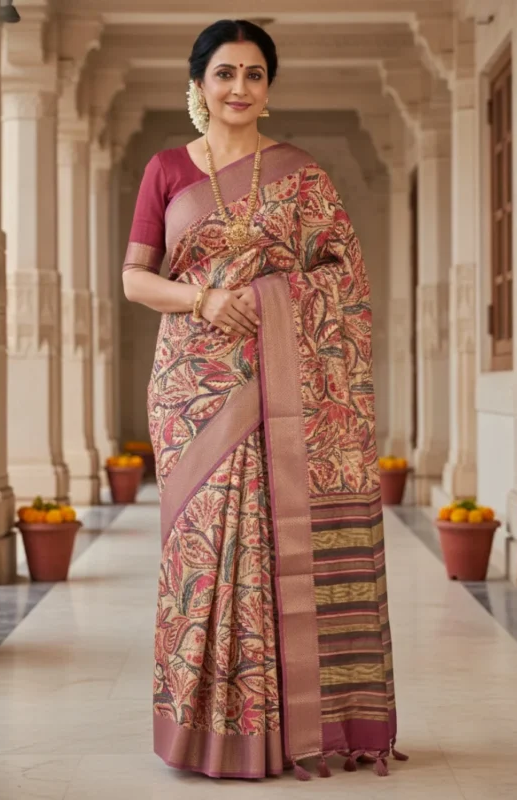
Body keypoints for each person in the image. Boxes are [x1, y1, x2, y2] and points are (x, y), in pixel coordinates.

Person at [122, 18, 406, 782]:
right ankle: (203, 731)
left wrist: (274, 297)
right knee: (204, 550)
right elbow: (135, 279)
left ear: (268, 89)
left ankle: (285, 729)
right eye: (225, 73)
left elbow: (346, 280)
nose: (239, 88)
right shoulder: (166, 170)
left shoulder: (304, 176)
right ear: (200, 84)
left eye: (253, 74)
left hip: (285, 380)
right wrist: (207, 300)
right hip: (193, 385)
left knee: (278, 546)